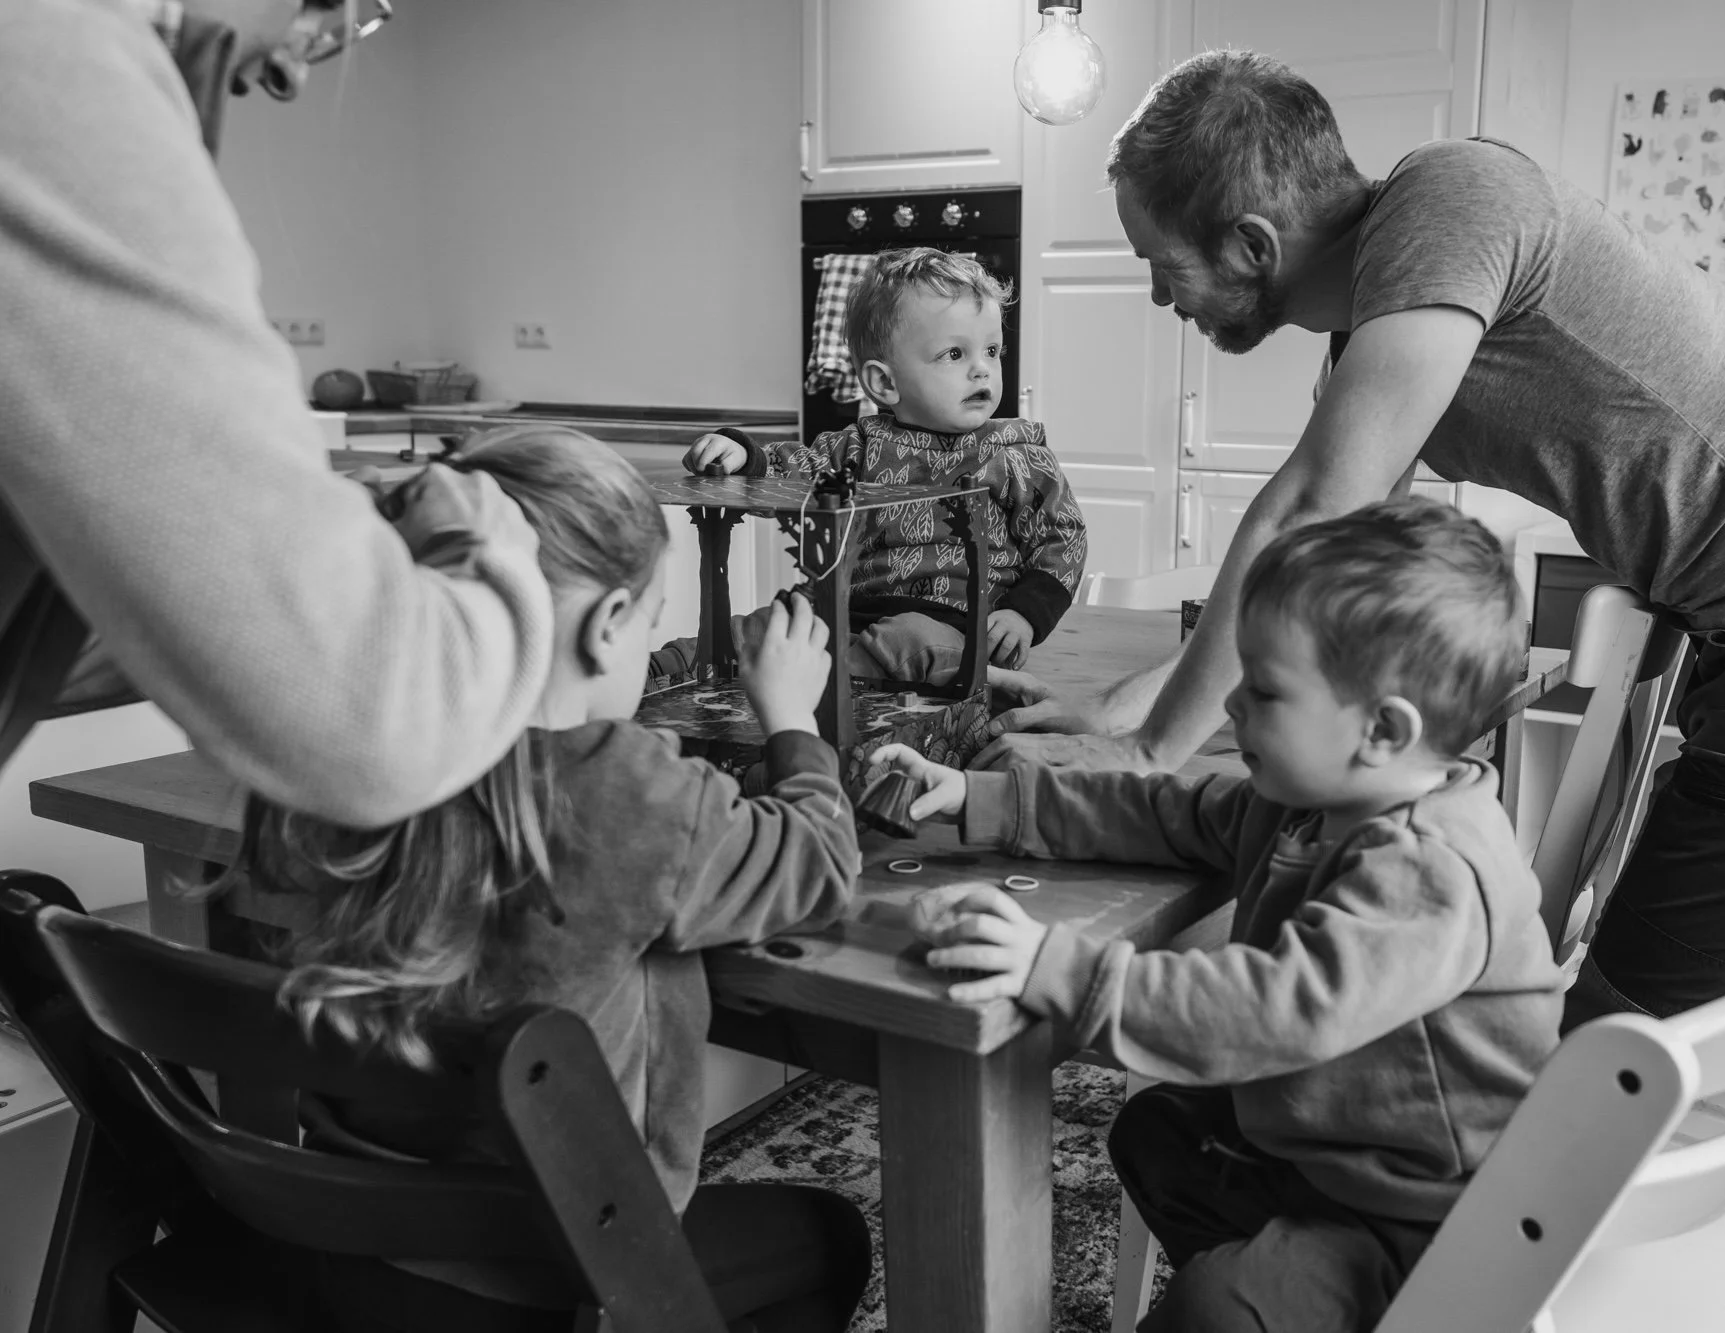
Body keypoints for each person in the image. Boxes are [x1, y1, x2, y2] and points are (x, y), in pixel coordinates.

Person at [979, 49, 1725, 1332]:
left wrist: (1160, 736)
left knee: (1609, 1059)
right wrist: (1143, 705)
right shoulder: (1385, 320)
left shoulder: (1447, 202)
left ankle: (1461, 1293)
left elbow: (1312, 501)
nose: (1152, 291)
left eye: (1156, 259)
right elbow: (1335, 549)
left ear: (1247, 242)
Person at [217, 425, 871, 1331]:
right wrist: (792, 716)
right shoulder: (620, 786)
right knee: (830, 1233)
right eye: (653, 622)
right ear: (608, 628)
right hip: (559, 1275)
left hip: (338, 1251)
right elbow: (820, 863)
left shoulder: (314, 769)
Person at [879, 500, 1563, 1333]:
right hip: (1336, 1157)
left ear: (1382, 729)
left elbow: (1270, 1009)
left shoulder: (1431, 869)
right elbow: (1170, 812)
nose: (1231, 704)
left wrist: (1053, 965)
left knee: (1214, 1308)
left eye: (1266, 689)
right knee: (1158, 1132)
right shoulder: (1315, 800)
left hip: (1434, 1223)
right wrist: (984, 797)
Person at [0, 0, 554, 827]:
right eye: (337, 17)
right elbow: (373, 729)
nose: (292, 73)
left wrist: (280, 564)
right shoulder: (49, 57)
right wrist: (490, 539)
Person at [669, 246, 1088, 687]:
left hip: (959, 635)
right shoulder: (858, 447)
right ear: (884, 382)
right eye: (954, 355)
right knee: (766, 624)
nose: (982, 370)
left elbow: (1064, 539)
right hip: (846, 614)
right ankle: (669, 666)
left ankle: (825, 687)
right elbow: (791, 469)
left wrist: (1023, 615)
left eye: (991, 350)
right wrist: (741, 454)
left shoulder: (1017, 454)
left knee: (910, 639)